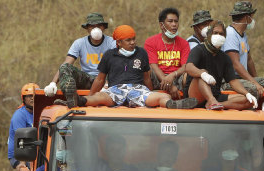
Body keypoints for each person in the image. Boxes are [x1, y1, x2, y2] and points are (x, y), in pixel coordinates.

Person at [67, 24, 196, 109]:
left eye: (134, 39)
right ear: (118, 42)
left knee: (162, 97)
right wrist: (91, 96)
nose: (133, 42)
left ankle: (173, 105)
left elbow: (146, 78)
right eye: (128, 40)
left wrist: (149, 93)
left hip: (138, 89)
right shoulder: (109, 55)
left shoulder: (141, 53)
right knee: (99, 97)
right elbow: (100, 79)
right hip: (116, 89)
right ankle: (79, 101)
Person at [221, 1, 264, 117]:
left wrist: (256, 79)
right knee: (253, 88)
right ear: (246, 17)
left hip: (242, 78)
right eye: (251, 16)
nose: (252, 20)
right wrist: (255, 83)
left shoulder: (243, 35)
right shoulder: (231, 34)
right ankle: (251, 117)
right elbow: (236, 64)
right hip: (230, 80)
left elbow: (249, 60)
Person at [44, 13, 116, 107]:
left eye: (99, 26)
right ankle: (71, 98)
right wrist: (53, 83)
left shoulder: (112, 43)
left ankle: (78, 101)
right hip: (87, 79)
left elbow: (117, 65)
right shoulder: (79, 43)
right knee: (65, 67)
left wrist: (107, 84)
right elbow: (66, 63)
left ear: (103, 28)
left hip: (105, 80)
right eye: (92, 26)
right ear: (87, 29)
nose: (96, 29)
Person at [183, 21, 258, 111]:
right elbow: (188, 67)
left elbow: (233, 81)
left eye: (221, 34)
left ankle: (218, 105)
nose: (218, 36)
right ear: (209, 34)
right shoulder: (198, 50)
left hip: (216, 95)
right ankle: (212, 101)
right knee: (202, 74)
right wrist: (203, 74)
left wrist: (247, 94)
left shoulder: (225, 58)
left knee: (247, 101)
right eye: (215, 33)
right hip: (195, 95)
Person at [144, 8, 190, 99]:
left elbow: (185, 66)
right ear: (161, 25)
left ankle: (187, 98)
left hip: (176, 77)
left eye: (176, 21)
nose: (174, 24)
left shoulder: (184, 43)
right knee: (145, 70)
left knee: (189, 74)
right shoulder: (150, 42)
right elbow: (153, 66)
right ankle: (148, 96)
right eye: (170, 21)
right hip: (157, 77)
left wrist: (173, 75)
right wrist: (169, 85)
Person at [8, 83, 36, 171]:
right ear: (23, 98)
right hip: (19, 155)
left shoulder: (39, 112)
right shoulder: (19, 115)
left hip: (33, 151)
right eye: (29, 96)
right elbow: (20, 139)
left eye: (34, 95)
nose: (32, 98)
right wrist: (22, 162)